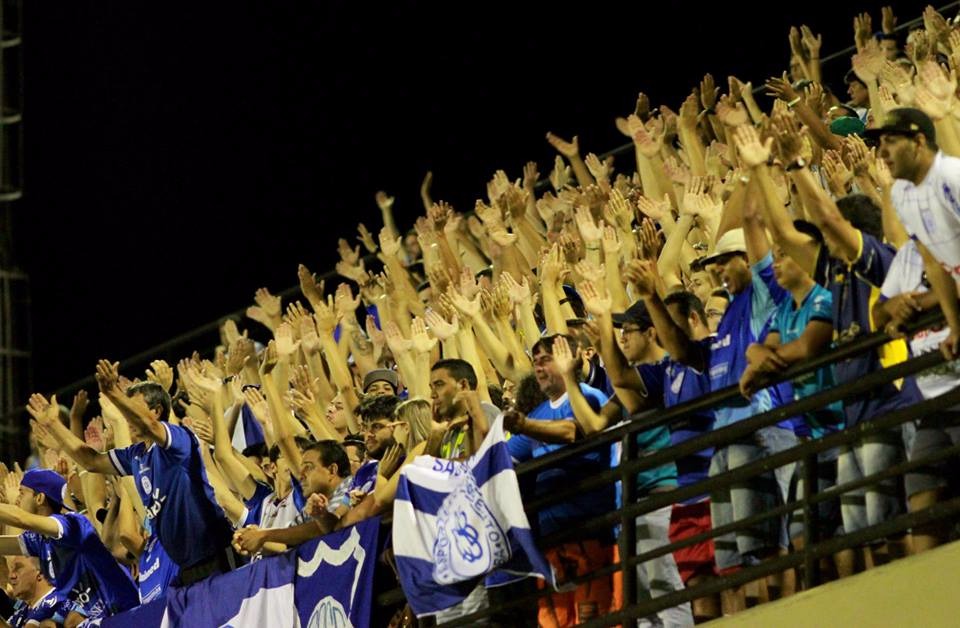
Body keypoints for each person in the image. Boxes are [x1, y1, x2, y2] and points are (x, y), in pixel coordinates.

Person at [30, 363, 238, 586]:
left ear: (156, 411)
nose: (126, 416)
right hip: (186, 567)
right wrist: (53, 425)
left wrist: (113, 392)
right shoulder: (135, 455)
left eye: (131, 409)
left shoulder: (178, 439)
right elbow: (91, 461)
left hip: (217, 556)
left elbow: (148, 425)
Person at [505, 334, 616, 628]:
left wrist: (525, 425)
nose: (539, 368)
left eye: (546, 360)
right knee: (557, 622)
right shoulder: (538, 414)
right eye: (535, 362)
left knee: (594, 617)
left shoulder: (588, 396)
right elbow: (502, 457)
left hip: (589, 530)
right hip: (553, 539)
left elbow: (572, 431)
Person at [0, 467, 139, 625]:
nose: (17, 499)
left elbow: (21, 519)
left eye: (22, 492)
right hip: (98, 619)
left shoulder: (71, 524)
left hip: (125, 613)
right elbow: (5, 546)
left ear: (39, 498)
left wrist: (10, 503)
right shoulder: (41, 540)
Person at [4, 555, 74, 628]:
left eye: (18, 568)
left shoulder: (57, 601)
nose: (11, 576)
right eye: (10, 571)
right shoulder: (22, 612)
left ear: (40, 573)